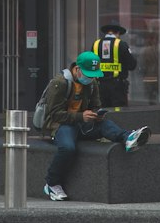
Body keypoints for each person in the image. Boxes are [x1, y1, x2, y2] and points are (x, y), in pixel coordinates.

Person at [39, 50, 148, 201]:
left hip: (83, 122)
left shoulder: (92, 83)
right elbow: (54, 113)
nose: (91, 78)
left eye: (93, 75)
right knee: (68, 148)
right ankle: (52, 183)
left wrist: (97, 114)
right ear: (77, 69)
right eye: (88, 74)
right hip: (61, 124)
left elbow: (96, 104)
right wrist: (80, 116)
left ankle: (128, 138)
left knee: (105, 125)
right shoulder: (60, 83)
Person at [92, 20, 138, 107]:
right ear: (118, 32)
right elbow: (132, 65)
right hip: (117, 87)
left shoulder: (96, 44)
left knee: (102, 111)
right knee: (118, 112)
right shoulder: (121, 45)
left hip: (100, 86)